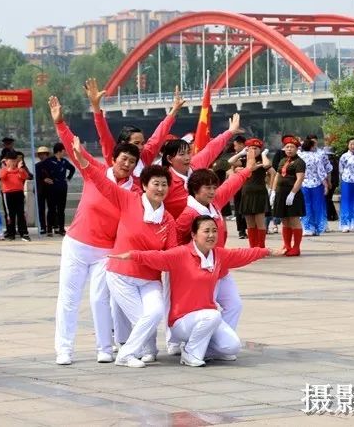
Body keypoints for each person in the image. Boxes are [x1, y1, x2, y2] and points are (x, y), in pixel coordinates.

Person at [107, 216, 273, 366]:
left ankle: (198, 349)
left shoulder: (218, 255)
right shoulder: (181, 254)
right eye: (206, 231)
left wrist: (266, 251)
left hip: (205, 319)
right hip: (181, 322)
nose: (211, 235)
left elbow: (241, 254)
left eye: (214, 231)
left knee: (232, 347)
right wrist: (132, 255)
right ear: (194, 235)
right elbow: (156, 256)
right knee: (213, 315)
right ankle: (190, 353)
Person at [50, 95, 141, 366]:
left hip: (106, 251)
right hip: (77, 244)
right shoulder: (95, 171)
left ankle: (105, 348)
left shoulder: (136, 189)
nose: (126, 164)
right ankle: (64, 350)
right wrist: (60, 123)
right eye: (123, 159)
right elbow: (73, 147)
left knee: (101, 299)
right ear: (114, 158)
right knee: (69, 297)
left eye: (132, 162)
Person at [74, 137, 177, 369]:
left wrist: (143, 257)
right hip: (121, 276)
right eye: (155, 184)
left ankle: (134, 351)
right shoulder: (129, 200)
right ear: (144, 186)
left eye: (164, 185)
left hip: (149, 279)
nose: (160, 189)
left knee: (155, 312)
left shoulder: (168, 220)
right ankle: (134, 352)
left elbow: (169, 258)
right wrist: (83, 160)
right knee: (144, 317)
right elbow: (103, 182)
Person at [174, 151, 256, 345]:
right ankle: (192, 344)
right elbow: (176, 241)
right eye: (207, 188)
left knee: (234, 304)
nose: (212, 191)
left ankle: (218, 343)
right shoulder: (188, 214)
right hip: (199, 271)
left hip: (220, 265)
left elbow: (231, 185)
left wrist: (247, 170)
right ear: (195, 189)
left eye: (213, 187)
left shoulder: (215, 204)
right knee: (204, 310)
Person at [87, 78, 183, 178]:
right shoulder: (114, 155)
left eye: (142, 143)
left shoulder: (145, 156)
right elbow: (104, 136)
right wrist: (96, 107)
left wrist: (174, 111)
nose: (141, 147)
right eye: (136, 143)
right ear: (124, 144)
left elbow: (159, 136)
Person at [161, 114, 242, 219]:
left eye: (188, 153)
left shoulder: (195, 165)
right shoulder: (165, 180)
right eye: (181, 154)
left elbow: (211, 149)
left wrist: (230, 132)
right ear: (169, 159)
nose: (187, 158)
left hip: (202, 228)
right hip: (177, 230)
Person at [271, 135, 306, 256]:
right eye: (287, 147)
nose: (289, 149)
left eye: (292, 147)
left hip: (292, 194)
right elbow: (277, 175)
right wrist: (273, 191)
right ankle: (286, 245)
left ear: (296, 149)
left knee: (294, 219)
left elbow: (300, 178)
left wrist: (293, 193)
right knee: (284, 220)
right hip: (281, 193)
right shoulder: (282, 161)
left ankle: (296, 247)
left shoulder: (299, 162)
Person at [236, 138, 275, 248]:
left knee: (260, 222)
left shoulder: (262, 160)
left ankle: (261, 247)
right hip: (246, 194)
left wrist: (263, 155)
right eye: (251, 148)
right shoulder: (244, 161)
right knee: (249, 223)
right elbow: (231, 162)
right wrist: (242, 153)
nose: (254, 150)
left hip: (259, 194)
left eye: (256, 148)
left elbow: (271, 171)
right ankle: (252, 247)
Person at [41, 143, 76, 236]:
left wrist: (68, 178)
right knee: (51, 209)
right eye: (63, 150)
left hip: (63, 187)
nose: (64, 152)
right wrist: (44, 178)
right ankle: (49, 229)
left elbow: (72, 169)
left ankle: (61, 228)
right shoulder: (49, 161)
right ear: (59, 151)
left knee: (61, 209)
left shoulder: (64, 161)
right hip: (52, 188)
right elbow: (40, 169)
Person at [298, 138, 330, 236]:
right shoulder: (317, 157)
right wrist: (326, 185)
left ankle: (307, 228)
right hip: (316, 184)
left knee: (305, 206)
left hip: (303, 184)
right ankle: (318, 228)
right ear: (312, 147)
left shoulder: (299, 156)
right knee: (317, 206)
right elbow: (321, 172)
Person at [0, 150, 31, 241]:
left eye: (14, 161)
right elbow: (2, 177)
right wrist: (8, 168)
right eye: (11, 161)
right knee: (10, 214)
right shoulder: (3, 170)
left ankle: (24, 233)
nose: (13, 163)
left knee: (21, 213)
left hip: (19, 193)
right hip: (8, 193)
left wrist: (20, 168)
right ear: (6, 161)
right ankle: (11, 233)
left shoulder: (19, 170)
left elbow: (24, 177)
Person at [34, 147, 52, 235]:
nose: (41, 156)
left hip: (50, 190)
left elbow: (55, 176)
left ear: (47, 154)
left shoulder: (52, 164)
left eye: (43, 154)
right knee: (41, 209)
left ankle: (50, 227)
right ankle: (43, 227)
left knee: (51, 209)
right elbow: (36, 179)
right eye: (40, 154)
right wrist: (43, 180)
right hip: (40, 190)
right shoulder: (37, 166)